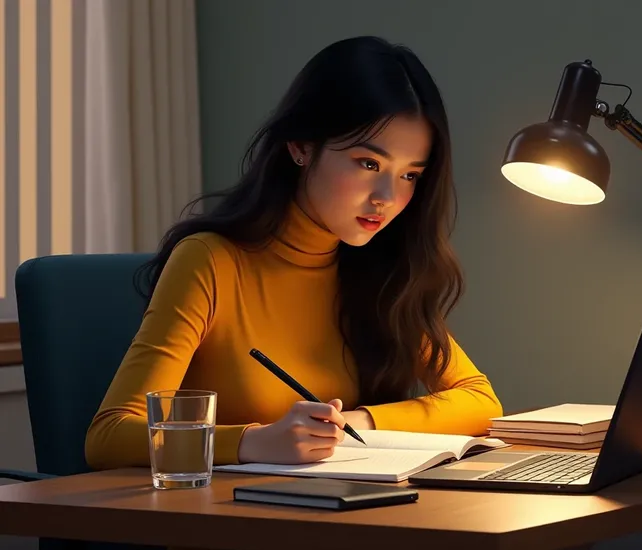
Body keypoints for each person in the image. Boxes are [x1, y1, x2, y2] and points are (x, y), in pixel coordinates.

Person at [84, 35, 503, 470]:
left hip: (349, 517)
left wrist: (359, 422)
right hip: (232, 522)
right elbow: (109, 436)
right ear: (301, 146)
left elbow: (480, 401)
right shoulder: (210, 261)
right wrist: (254, 443)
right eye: (369, 163)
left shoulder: (376, 270)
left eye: (410, 175)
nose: (387, 197)